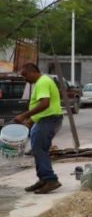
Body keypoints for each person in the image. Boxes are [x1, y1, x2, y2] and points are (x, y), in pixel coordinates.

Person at [14, 63, 63, 194]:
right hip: (45, 119)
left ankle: (50, 179)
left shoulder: (42, 82)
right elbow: (44, 106)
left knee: (39, 149)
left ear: (33, 72)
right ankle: (43, 179)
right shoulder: (42, 81)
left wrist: (24, 115)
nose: (24, 79)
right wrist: (32, 120)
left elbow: (45, 104)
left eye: (25, 75)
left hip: (48, 120)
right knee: (38, 149)